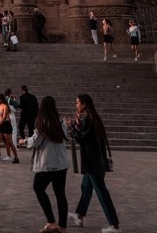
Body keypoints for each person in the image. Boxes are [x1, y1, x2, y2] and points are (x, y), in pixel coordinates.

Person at [67, 94, 122, 233]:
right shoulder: (94, 119)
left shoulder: (89, 119)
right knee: (86, 187)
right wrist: (78, 125)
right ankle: (79, 216)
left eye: (77, 102)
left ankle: (114, 225)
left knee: (102, 192)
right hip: (96, 161)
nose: (76, 105)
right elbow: (88, 137)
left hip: (93, 163)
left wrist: (73, 127)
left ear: (84, 104)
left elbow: (81, 139)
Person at [20, 96, 69, 233]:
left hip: (47, 163)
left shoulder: (42, 122)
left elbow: (36, 140)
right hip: (61, 163)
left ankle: (51, 221)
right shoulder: (61, 121)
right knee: (60, 194)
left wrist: (24, 141)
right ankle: (63, 227)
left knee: (38, 188)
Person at [5, 87, 20, 152]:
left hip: (6, 115)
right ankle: (14, 146)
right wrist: (14, 100)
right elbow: (16, 106)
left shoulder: (4, 99)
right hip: (11, 115)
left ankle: (8, 145)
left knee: (7, 131)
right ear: (10, 93)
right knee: (14, 130)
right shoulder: (10, 99)